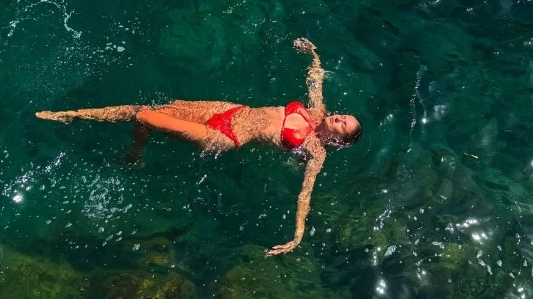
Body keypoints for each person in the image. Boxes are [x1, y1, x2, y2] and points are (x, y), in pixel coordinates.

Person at [36, 38, 362, 255]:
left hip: (224, 138)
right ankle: (76, 116)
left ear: (338, 141)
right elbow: (315, 80)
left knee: (145, 116)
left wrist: (297, 236)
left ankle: (134, 151)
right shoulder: (317, 111)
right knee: (155, 108)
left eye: (344, 125)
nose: (342, 118)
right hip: (228, 110)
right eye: (345, 117)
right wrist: (313, 53)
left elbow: (305, 193)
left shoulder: (316, 151)